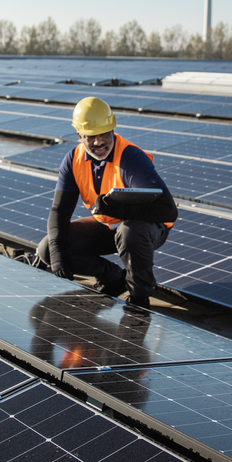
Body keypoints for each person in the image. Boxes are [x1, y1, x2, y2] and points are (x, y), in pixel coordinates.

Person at [34, 96, 178, 308]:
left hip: (145, 228)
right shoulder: (73, 159)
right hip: (108, 227)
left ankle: (139, 295)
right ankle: (113, 278)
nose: (99, 142)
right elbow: (60, 210)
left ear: (113, 129)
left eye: (104, 134)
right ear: (79, 135)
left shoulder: (130, 158)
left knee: (130, 234)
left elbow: (168, 211)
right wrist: (57, 255)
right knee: (48, 248)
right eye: (91, 136)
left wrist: (121, 209)